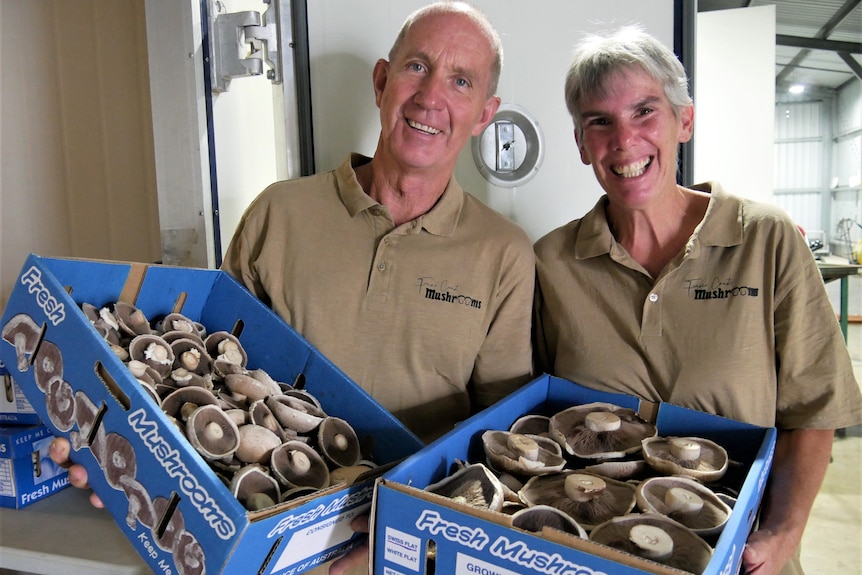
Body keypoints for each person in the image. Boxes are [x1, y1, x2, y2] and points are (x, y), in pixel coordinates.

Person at [51, 2, 534, 573]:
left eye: (461, 81)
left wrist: (405, 543)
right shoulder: (278, 213)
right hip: (261, 526)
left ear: (484, 114)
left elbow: (497, 444)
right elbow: (211, 373)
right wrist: (119, 458)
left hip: (401, 544)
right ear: (382, 81)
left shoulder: (503, 253)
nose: (431, 97)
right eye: (417, 67)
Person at [533, 25, 862, 575]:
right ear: (581, 142)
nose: (624, 139)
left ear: (684, 121)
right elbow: (538, 413)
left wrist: (781, 535)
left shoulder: (766, 239)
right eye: (599, 121)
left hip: (740, 554)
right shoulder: (552, 263)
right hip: (601, 554)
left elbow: (815, 408)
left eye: (645, 111)